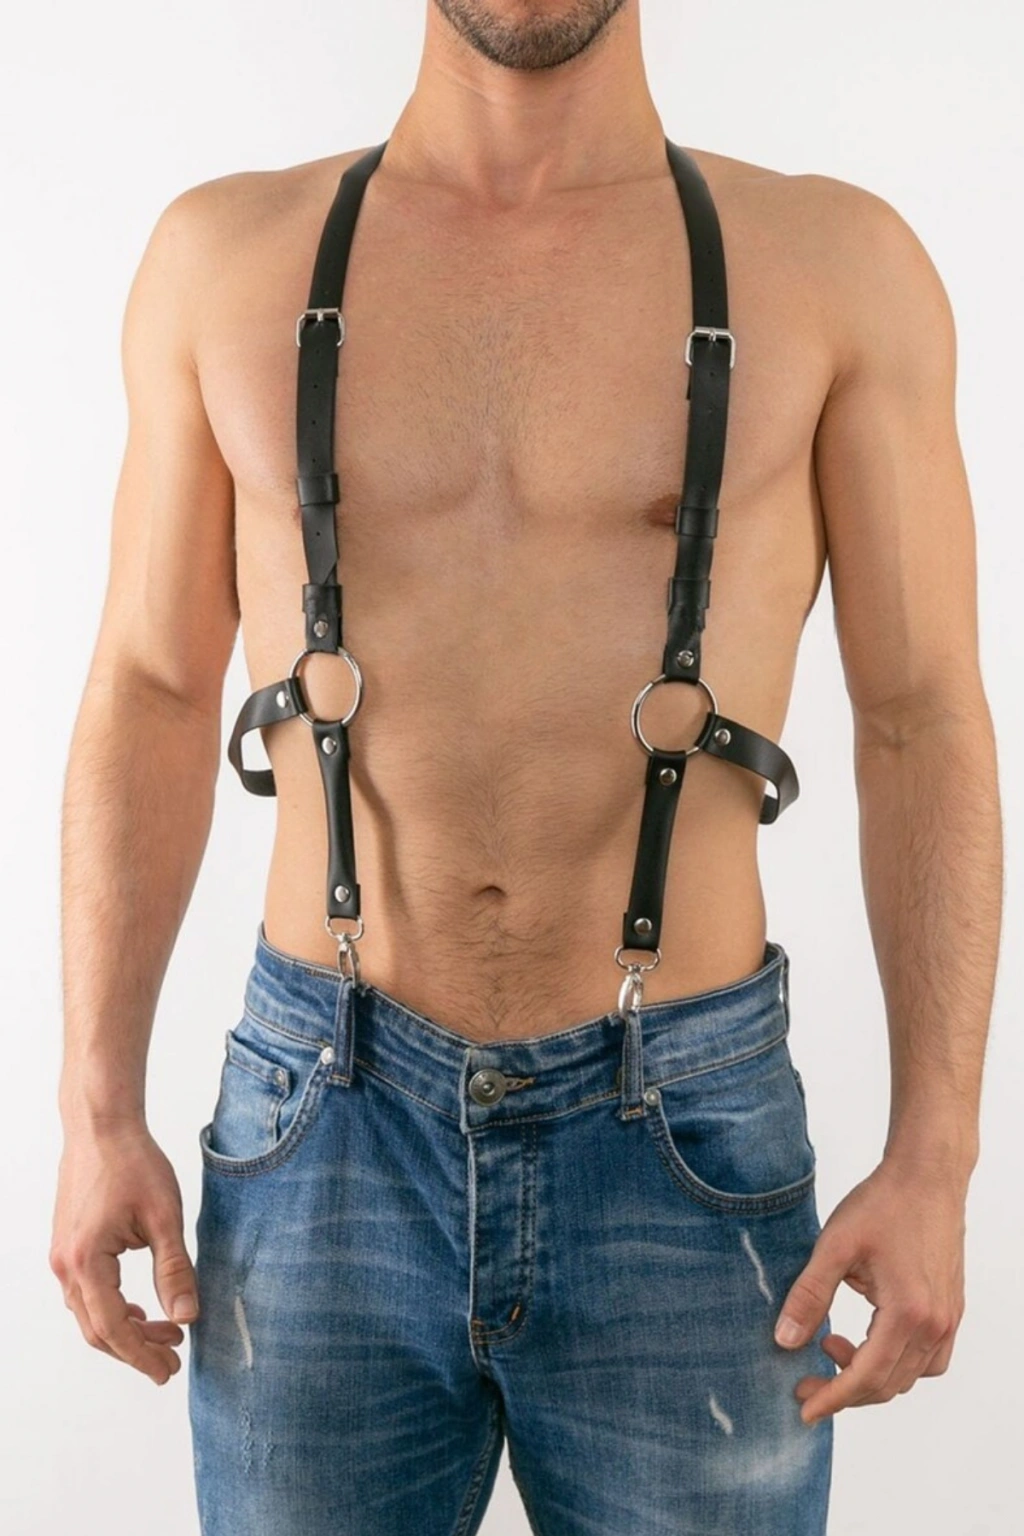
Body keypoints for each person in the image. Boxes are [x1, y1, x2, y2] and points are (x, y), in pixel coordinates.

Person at [50, 2, 1002, 1532]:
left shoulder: (837, 270)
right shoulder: (225, 262)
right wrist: (97, 1106)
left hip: (685, 1135)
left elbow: (923, 716)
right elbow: (152, 689)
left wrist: (937, 1156)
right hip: (320, 1125)